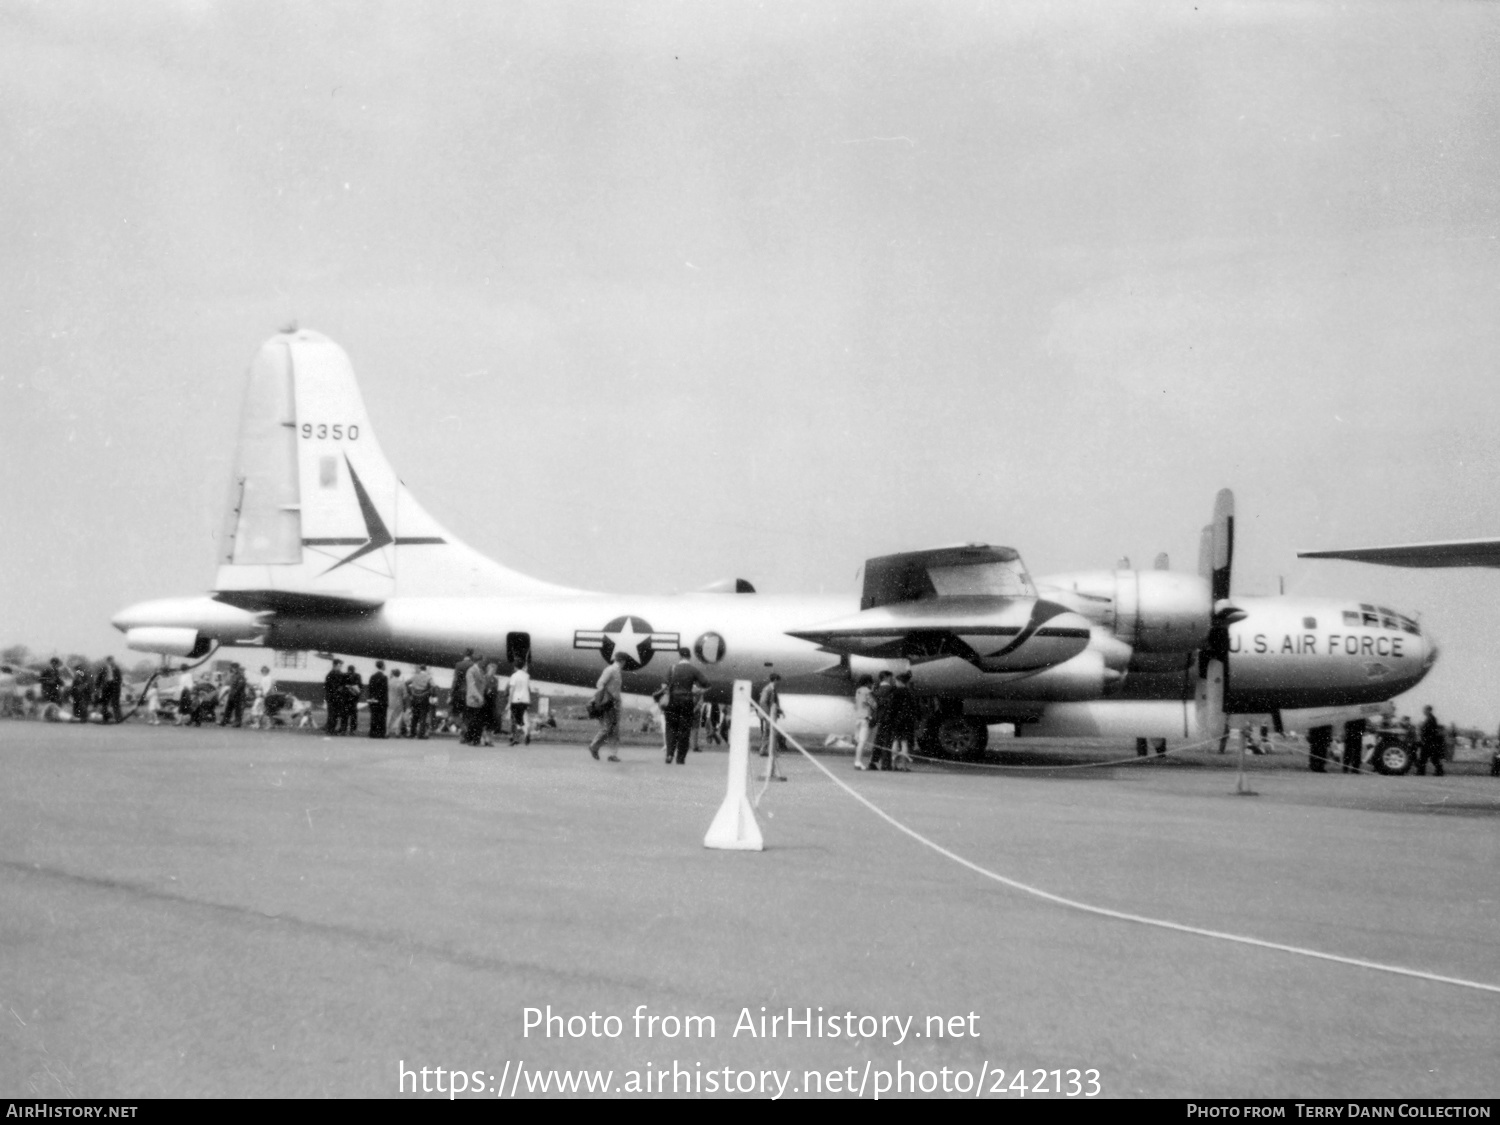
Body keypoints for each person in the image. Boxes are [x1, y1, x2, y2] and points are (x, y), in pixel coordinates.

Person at [662, 648, 710, 765]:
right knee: (684, 730)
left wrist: (667, 693)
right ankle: (680, 758)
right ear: (689, 657)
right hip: (687, 701)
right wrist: (698, 691)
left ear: (679, 656)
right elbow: (707, 684)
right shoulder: (693, 670)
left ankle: (669, 754)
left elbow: (664, 684)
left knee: (671, 728)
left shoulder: (672, 668)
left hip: (673, 701)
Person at [588, 652, 628, 762]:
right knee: (608, 728)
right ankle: (594, 746)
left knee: (614, 729)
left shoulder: (615, 670)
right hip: (609, 704)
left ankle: (612, 754)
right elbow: (600, 683)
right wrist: (603, 698)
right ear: (623, 661)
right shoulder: (611, 670)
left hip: (614, 703)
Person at [758, 674, 787, 781]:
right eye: (778, 681)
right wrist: (766, 716)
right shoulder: (768, 689)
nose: (779, 683)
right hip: (769, 715)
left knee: (767, 733)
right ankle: (771, 751)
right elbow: (763, 702)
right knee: (772, 733)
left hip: (771, 714)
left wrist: (780, 711)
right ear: (775, 680)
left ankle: (763, 750)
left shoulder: (773, 689)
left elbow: (774, 703)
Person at [889, 671, 917, 771]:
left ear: (900, 681)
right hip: (907, 720)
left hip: (896, 720)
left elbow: (892, 707)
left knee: (895, 741)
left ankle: (893, 764)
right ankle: (904, 766)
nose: (895, 683)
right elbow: (914, 708)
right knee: (905, 743)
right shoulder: (910, 692)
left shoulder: (895, 692)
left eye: (896, 681)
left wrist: (891, 718)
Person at [870, 671, 897, 770]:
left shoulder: (875, 691)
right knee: (887, 741)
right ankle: (886, 764)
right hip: (889, 718)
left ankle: (873, 761)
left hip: (879, 717)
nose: (892, 679)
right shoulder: (891, 689)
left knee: (878, 740)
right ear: (886, 678)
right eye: (891, 677)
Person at [451, 648, 476, 741]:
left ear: (464, 655)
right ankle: (465, 735)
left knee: (455, 714)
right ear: (472, 655)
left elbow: (455, 680)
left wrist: (451, 693)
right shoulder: (474, 665)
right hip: (470, 693)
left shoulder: (458, 665)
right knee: (467, 715)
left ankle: (464, 731)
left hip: (459, 692)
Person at [852, 675, 875, 770]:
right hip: (865, 718)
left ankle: (857, 761)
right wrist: (872, 691)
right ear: (868, 682)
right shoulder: (867, 692)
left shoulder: (858, 691)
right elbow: (874, 704)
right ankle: (858, 761)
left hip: (858, 717)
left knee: (859, 741)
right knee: (862, 741)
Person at [464, 656, 488, 746]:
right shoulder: (471, 671)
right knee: (473, 721)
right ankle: (470, 739)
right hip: (473, 699)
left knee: (478, 721)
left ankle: (475, 739)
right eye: (483, 661)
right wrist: (479, 696)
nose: (484, 663)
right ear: (479, 661)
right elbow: (471, 686)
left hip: (479, 700)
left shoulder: (481, 671)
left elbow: (483, 684)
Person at [1416, 705, 1445, 777]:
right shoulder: (1429, 718)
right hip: (1429, 741)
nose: (1423, 711)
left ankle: (1422, 772)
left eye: (1424, 710)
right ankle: (1438, 771)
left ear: (1428, 710)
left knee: (1429, 757)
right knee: (1429, 757)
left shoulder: (1431, 719)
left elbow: (1429, 730)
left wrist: (1421, 728)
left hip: (1429, 741)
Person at [508, 661, 532, 745]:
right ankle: (526, 732)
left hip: (516, 699)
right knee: (524, 716)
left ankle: (520, 730)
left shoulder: (514, 676)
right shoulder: (527, 676)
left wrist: (509, 702)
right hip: (525, 699)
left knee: (517, 719)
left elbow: (512, 689)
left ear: (515, 667)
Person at [407, 665, 433, 739]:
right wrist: (429, 692)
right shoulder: (428, 677)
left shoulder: (415, 676)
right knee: (423, 716)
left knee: (414, 716)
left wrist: (410, 693)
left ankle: (412, 733)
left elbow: (406, 683)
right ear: (426, 669)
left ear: (420, 669)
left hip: (415, 697)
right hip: (424, 697)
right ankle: (421, 734)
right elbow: (433, 686)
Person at [97, 656, 123, 724]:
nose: (112, 662)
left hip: (114, 687)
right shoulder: (103, 668)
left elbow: (119, 679)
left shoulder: (116, 668)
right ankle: (105, 718)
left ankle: (118, 718)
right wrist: (97, 687)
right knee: (105, 703)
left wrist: (117, 686)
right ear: (107, 661)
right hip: (106, 686)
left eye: (112, 660)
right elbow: (99, 678)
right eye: (110, 660)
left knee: (115, 703)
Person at [220, 664, 247, 728]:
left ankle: (238, 723)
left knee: (238, 710)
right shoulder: (233, 676)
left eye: (234, 668)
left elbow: (240, 686)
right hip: (231, 694)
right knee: (228, 709)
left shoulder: (240, 676)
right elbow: (231, 686)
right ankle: (224, 721)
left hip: (238, 695)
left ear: (237, 668)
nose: (233, 669)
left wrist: (235, 692)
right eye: (232, 668)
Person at [367, 661, 389, 739]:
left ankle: (373, 733)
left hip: (373, 700)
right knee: (382, 717)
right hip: (382, 700)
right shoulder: (384, 677)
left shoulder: (372, 676)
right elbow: (384, 690)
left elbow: (370, 688)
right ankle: (381, 733)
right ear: (382, 666)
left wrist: (372, 698)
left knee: (374, 716)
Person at [324, 659, 345, 735]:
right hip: (333, 697)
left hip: (335, 697)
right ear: (334, 665)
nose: (341, 667)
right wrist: (339, 689)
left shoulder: (338, 674)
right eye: (339, 665)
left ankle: (331, 729)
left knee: (335, 714)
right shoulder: (331, 674)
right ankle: (330, 729)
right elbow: (331, 687)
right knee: (332, 714)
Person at [343, 664, 364, 735]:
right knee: (353, 715)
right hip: (354, 698)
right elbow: (360, 686)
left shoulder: (344, 675)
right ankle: (352, 730)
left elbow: (342, 686)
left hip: (346, 698)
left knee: (345, 715)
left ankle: (344, 729)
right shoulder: (358, 676)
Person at [387, 668, 406, 737]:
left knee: (389, 716)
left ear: (393, 674)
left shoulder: (389, 681)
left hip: (390, 700)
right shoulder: (402, 683)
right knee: (398, 717)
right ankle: (397, 732)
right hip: (399, 701)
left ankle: (387, 731)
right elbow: (405, 694)